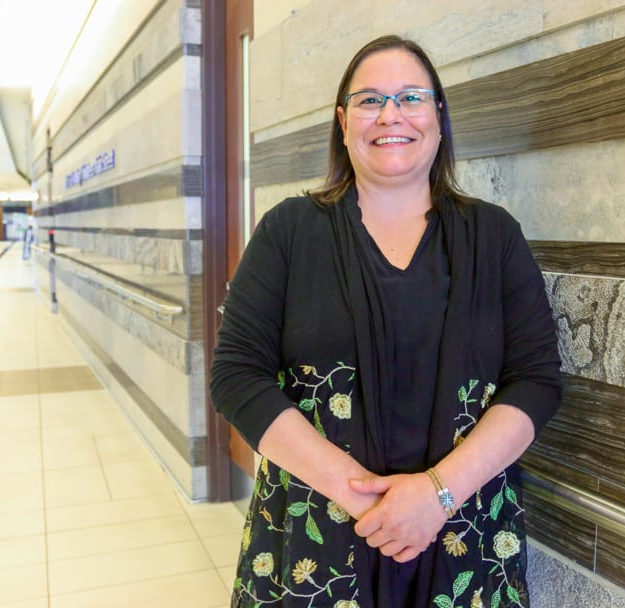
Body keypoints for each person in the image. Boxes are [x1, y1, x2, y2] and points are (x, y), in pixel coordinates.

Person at [210, 35, 562, 608]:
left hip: (466, 538)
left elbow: (537, 380)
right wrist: (371, 503)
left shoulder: (494, 236)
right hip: (313, 540)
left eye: (411, 98)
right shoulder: (289, 231)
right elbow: (236, 376)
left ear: (439, 119)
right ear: (343, 122)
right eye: (371, 100)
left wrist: (435, 496)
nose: (391, 114)